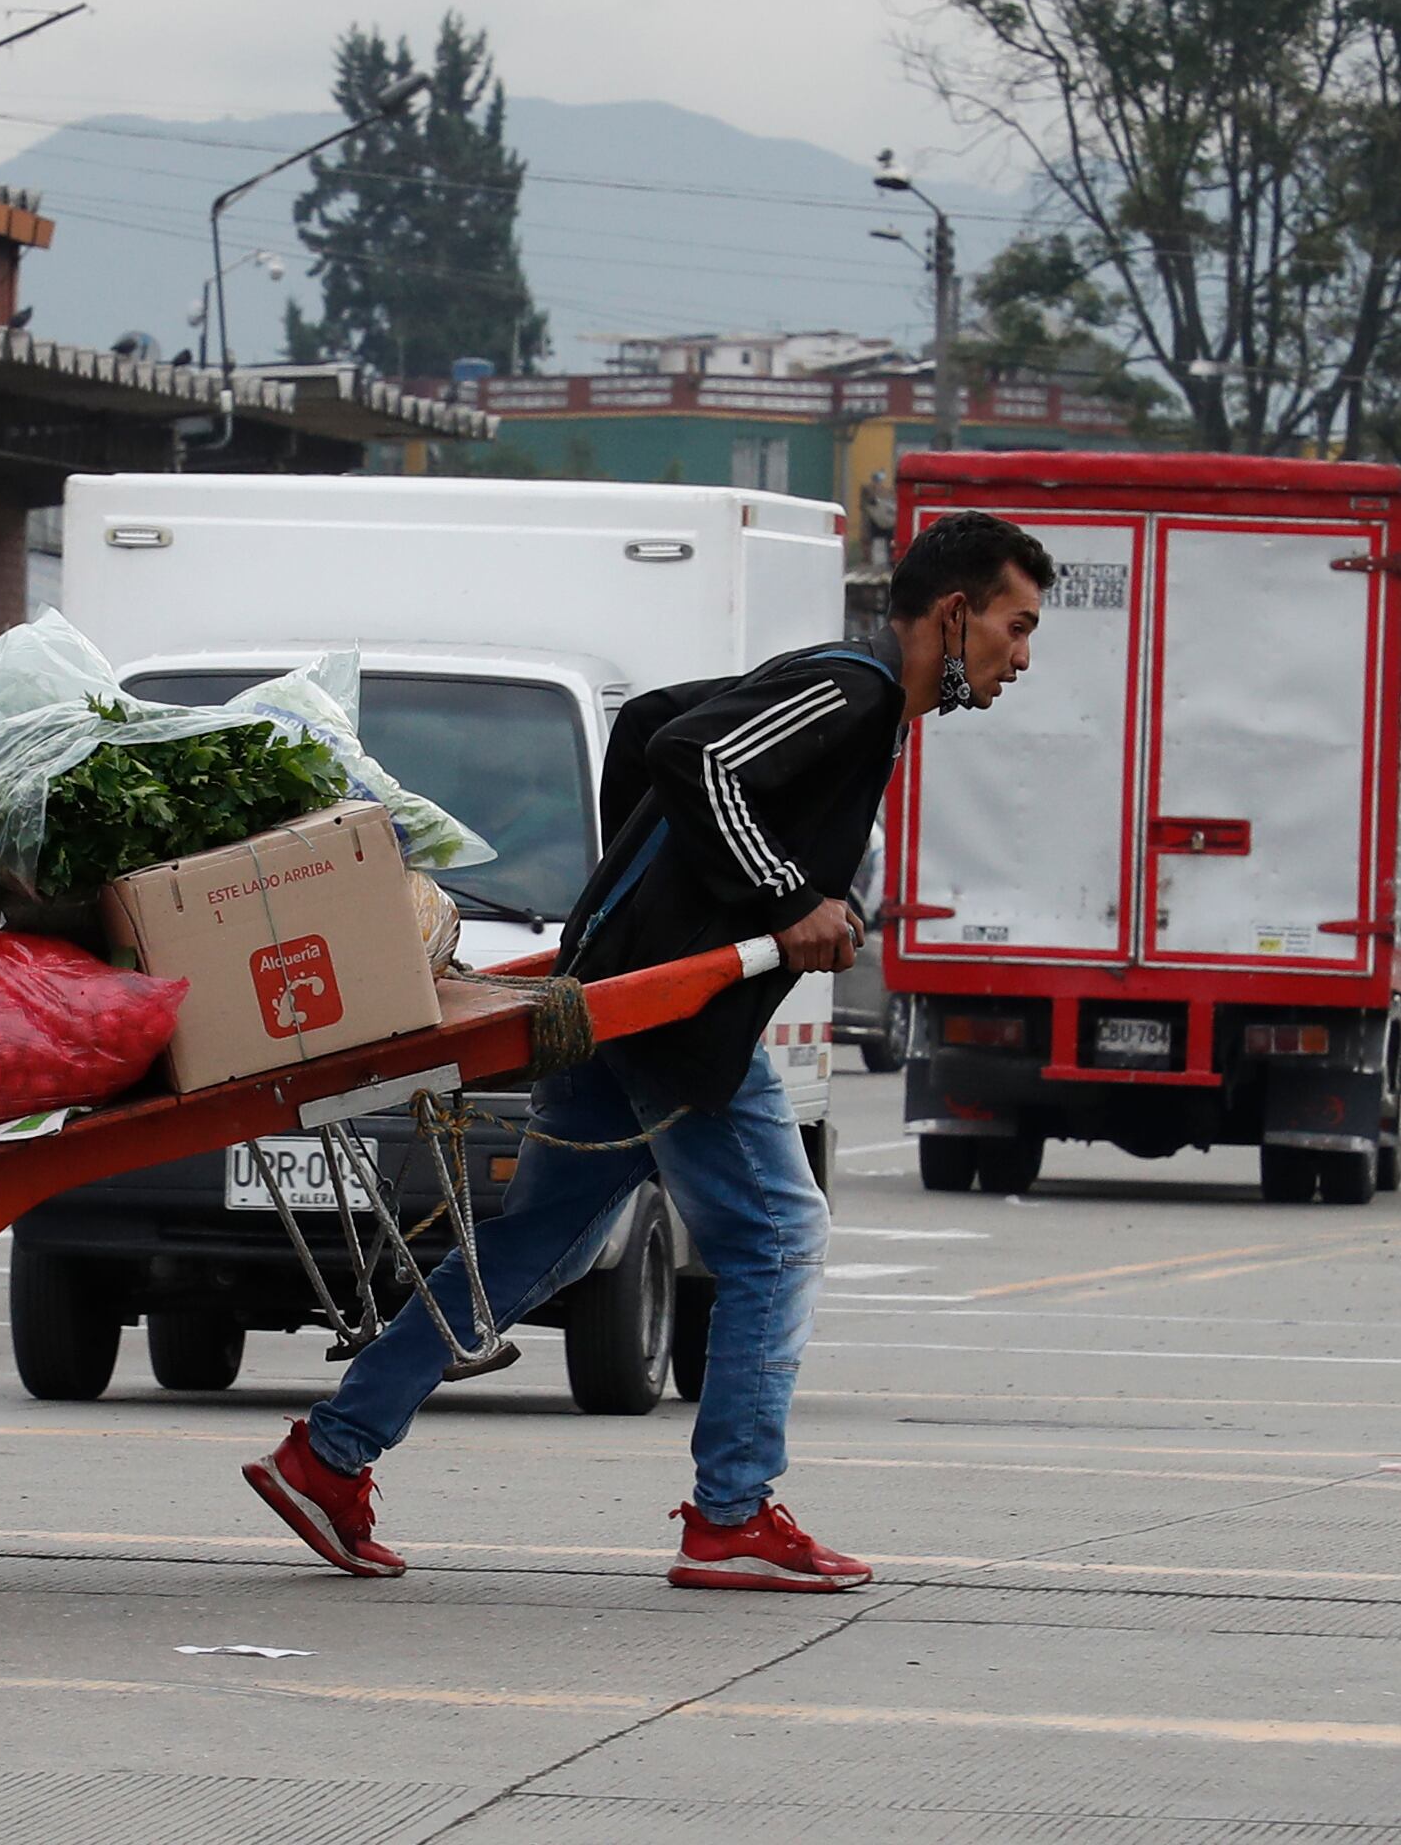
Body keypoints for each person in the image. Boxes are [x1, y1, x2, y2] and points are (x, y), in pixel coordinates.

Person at [246, 508, 1056, 1593]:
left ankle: (328, 1454)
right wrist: (779, 899)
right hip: (667, 1014)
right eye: (1014, 625)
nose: (1020, 655)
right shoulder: (856, 687)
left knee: (545, 1237)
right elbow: (690, 751)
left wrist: (643, 904)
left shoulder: (854, 698)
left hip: (625, 996)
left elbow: (659, 728)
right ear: (953, 613)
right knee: (776, 1233)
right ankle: (729, 1513)